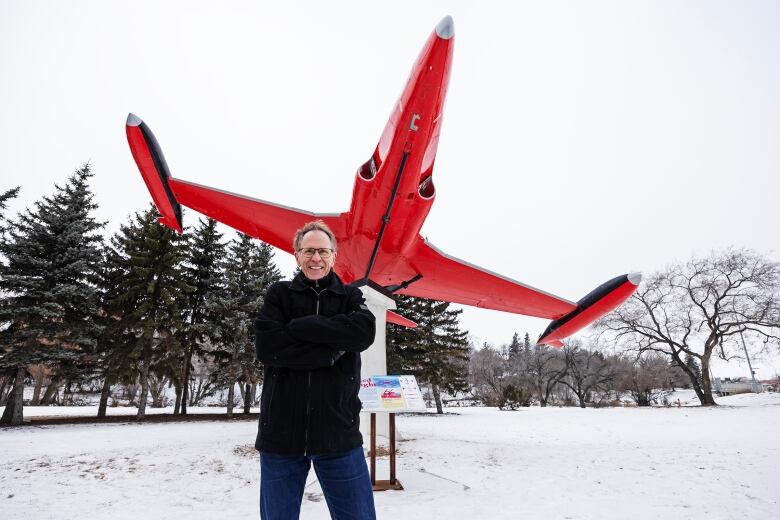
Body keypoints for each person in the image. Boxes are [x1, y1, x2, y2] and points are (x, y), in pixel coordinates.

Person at [253, 220, 377, 520]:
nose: (316, 258)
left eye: (322, 251)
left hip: (339, 435)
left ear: (334, 255)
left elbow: (363, 333)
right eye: (308, 251)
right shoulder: (278, 295)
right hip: (281, 437)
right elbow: (268, 348)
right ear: (296, 255)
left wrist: (303, 326)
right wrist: (331, 351)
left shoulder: (350, 298)